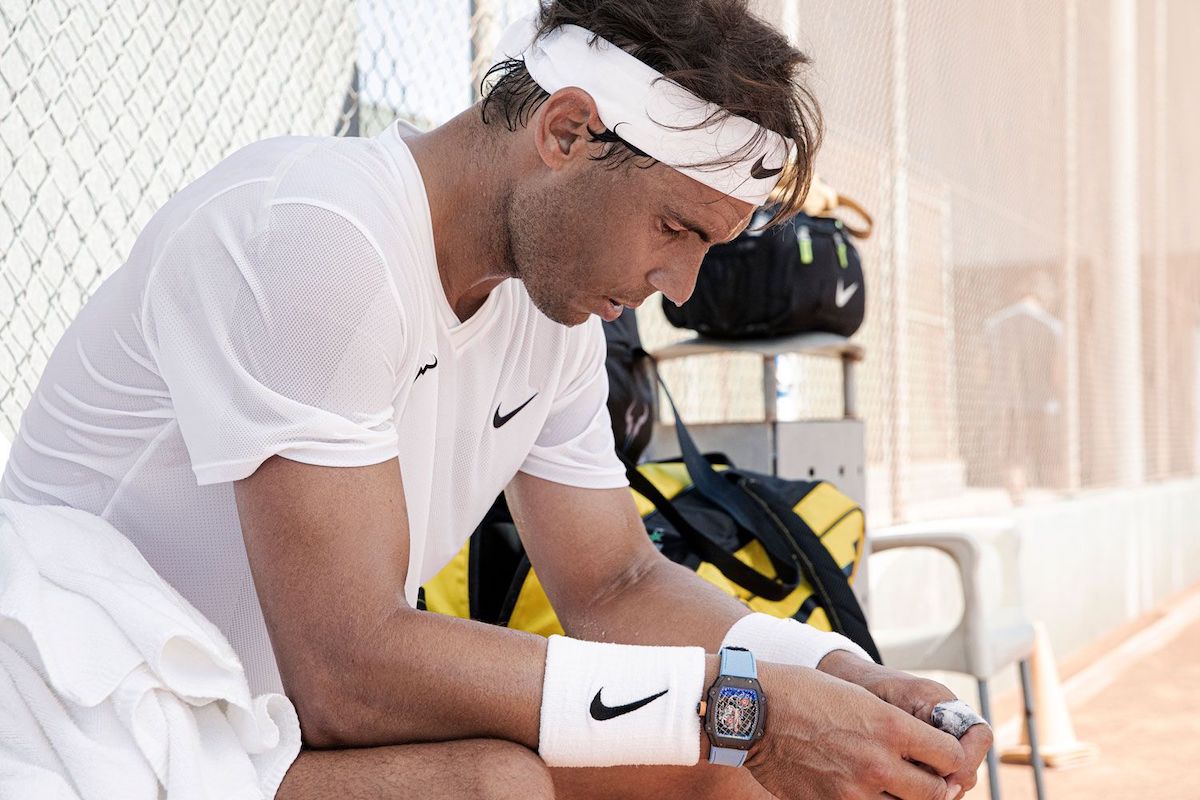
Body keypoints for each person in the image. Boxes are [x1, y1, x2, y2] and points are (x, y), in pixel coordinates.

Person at [0, 1, 991, 797]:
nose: (682, 289)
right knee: (504, 783)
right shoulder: (320, 236)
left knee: (718, 773)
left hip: (261, 729)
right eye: (676, 229)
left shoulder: (548, 315)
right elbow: (348, 667)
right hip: (94, 714)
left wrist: (832, 675)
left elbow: (615, 586)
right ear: (566, 131)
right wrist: (748, 708)